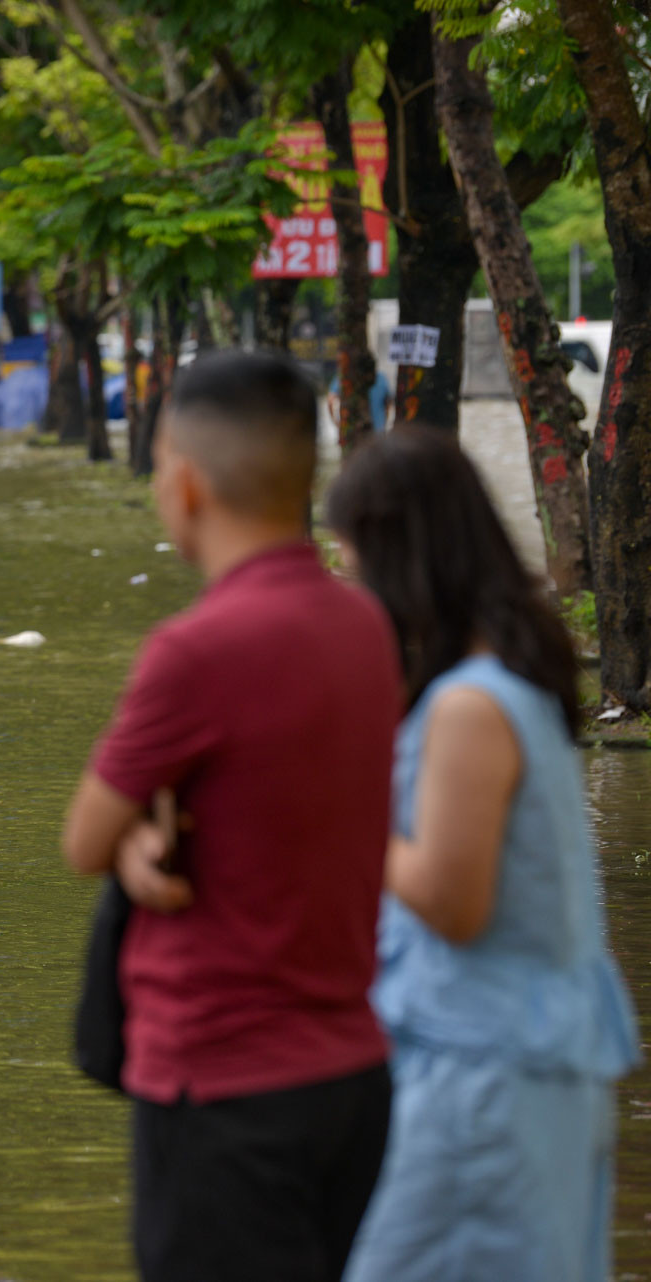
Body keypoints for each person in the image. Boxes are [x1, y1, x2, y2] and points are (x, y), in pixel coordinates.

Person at [61, 351, 400, 1282]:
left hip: (222, 1086)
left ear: (184, 482)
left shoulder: (195, 652)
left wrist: (129, 838)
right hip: (353, 1074)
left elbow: (83, 838)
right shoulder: (368, 629)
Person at [328, 430, 639, 1282]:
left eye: (354, 560)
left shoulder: (470, 707)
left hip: (488, 1075)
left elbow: (452, 901)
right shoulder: (508, 678)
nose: (351, 585)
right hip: (524, 1056)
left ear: (398, 553)